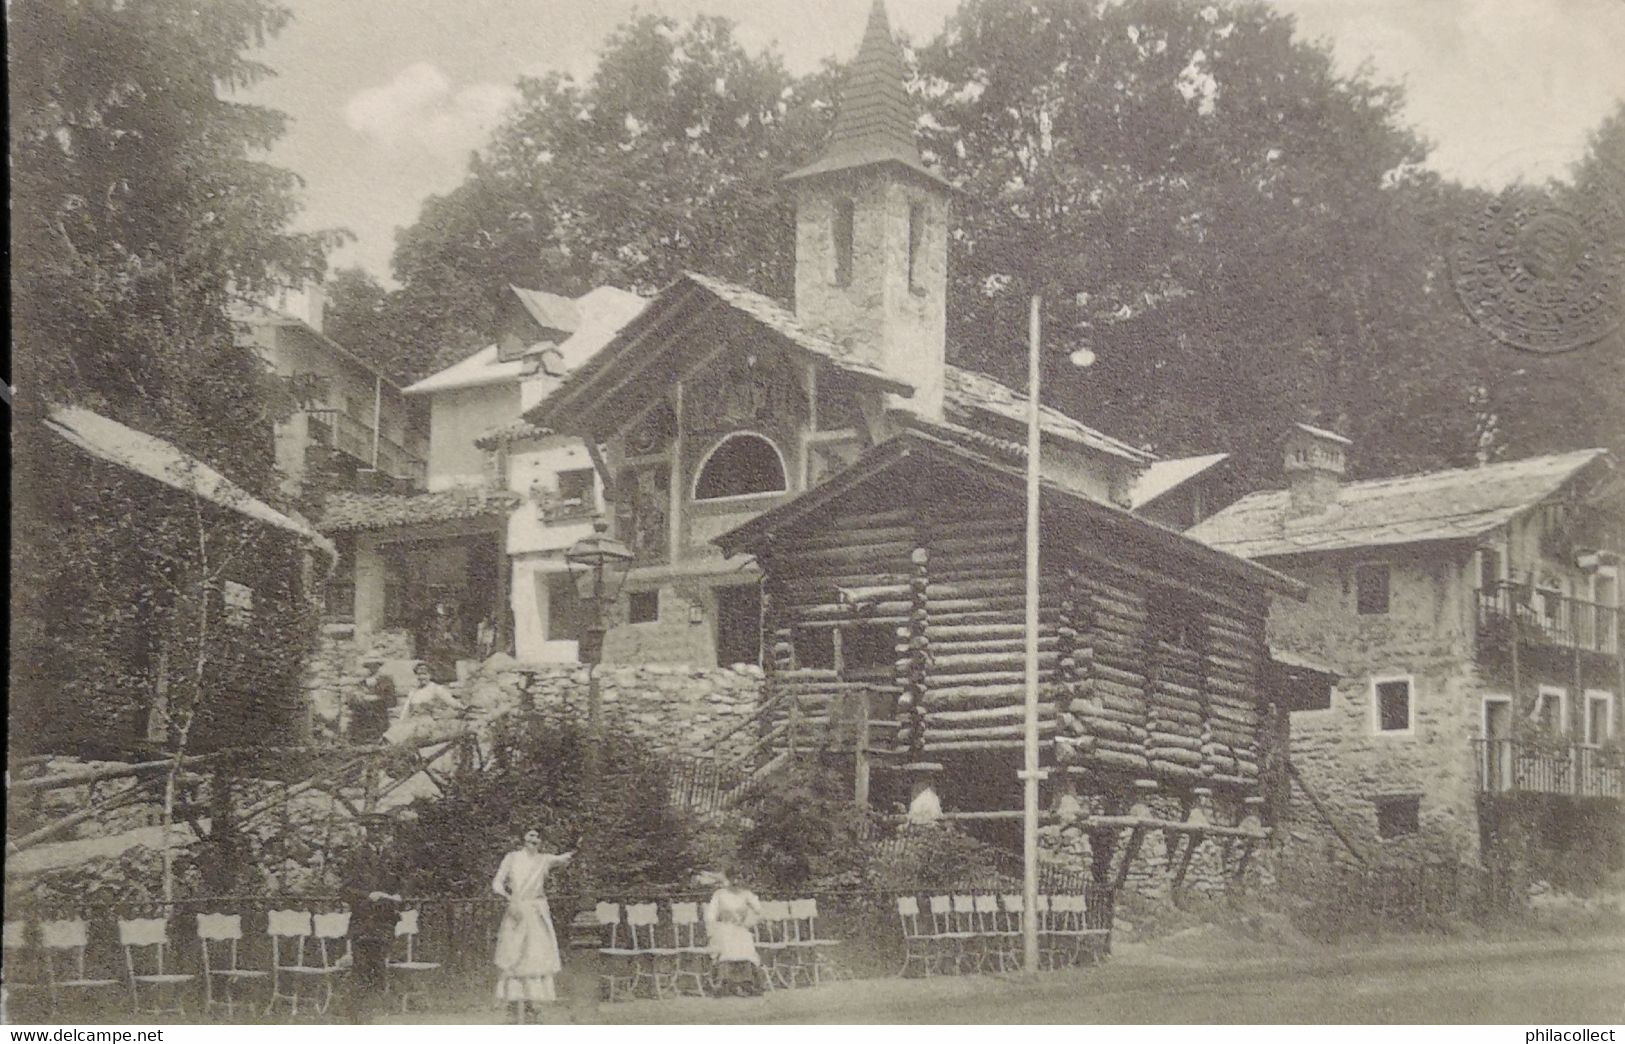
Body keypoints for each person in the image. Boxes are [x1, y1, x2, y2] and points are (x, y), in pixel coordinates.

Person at [492, 828, 575, 1022]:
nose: (534, 839)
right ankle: (513, 1007)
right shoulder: (512, 858)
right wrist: (508, 899)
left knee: (535, 956)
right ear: (523, 837)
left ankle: (530, 1007)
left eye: (538, 836)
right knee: (514, 955)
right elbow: (497, 883)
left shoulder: (544, 859)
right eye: (530, 835)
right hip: (517, 911)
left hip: (537, 912)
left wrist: (580, 843)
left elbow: (565, 858)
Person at [340, 824, 405, 1024]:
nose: (379, 836)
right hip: (363, 922)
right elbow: (346, 890)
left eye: (383, 832)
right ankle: (357, 1018)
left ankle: (371, 1016)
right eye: (374, 831)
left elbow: (403, 883)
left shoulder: (393, 857)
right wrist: (369, 896)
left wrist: (399, 896)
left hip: (385, 923)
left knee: (378, 970)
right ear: (367, 834)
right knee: (361, 969)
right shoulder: (356, 856)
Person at [703, 867, 764, 997]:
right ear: (728, 879)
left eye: (739, 878)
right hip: (724, 927)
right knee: (727, 946)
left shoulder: (746, 894)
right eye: (733, 878)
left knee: (746, 945)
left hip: (740, 928)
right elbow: (711, 914)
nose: (736, 881)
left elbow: (759, 910)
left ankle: (747, 983)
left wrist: (748, 922)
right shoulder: (720, 894)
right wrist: (713, 926)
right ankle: (723, 982)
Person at [348, 659, 397, 745]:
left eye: (374, 665)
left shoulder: (386, 680)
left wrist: (377, 698)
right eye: (369, 665)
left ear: (379, 666)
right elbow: (353, 699)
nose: (372, 668)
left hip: (379, 712)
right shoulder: (363, 682)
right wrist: (357, 695)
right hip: (363, 713)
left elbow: (392, 700)